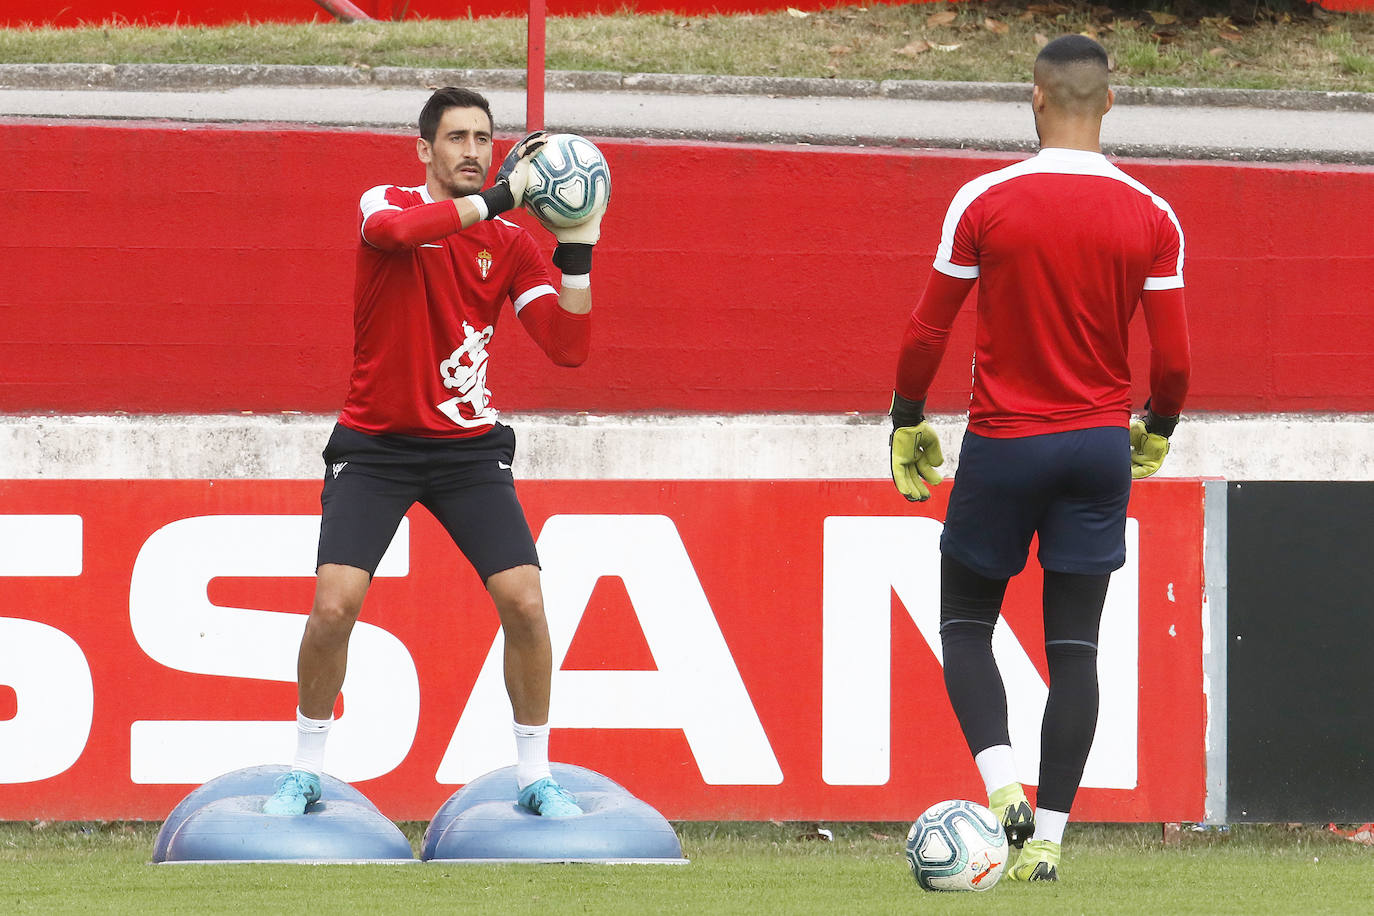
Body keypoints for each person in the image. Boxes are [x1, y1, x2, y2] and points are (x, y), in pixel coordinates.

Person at [888, 35, 1190, 881]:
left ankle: (1002, 789)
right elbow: (1173, 361)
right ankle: (1049, 842)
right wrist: (1158, 425)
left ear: (1035, 97)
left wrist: (907, 417)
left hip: (1004, 442)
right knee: (1076, 650)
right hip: (1098, 447)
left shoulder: (984, 200)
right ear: (1110, 103)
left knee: (965, 624)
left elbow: (927, 329)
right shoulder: (1152, 213)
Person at [263, 87, 604, 819]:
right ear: (424, 149)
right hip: (375, 448)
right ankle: (305, 770)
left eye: (483, 139)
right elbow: (396, 232)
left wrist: (579, 247)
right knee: (333, 609)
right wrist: (505, 196)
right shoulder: (386, 202)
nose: (473, 151)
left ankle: (536, 777)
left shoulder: (510, 244)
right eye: (456, 138)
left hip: (468, 453)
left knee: (526, 604)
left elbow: (568, 347)